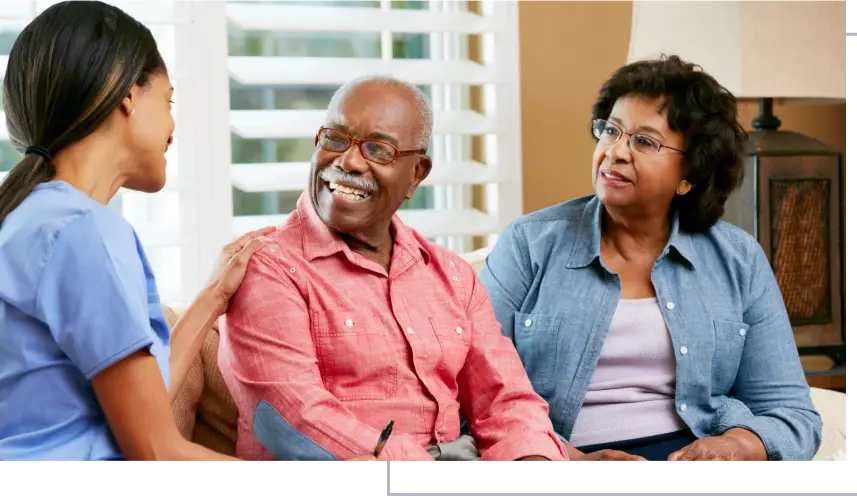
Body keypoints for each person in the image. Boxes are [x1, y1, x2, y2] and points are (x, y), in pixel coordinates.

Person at [0, 0, 376, 464]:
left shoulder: (13, 225)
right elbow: (156, 452)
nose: (173, 127)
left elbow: (144, 409)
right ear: (126, 96)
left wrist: (212, 298)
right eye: (168, 100)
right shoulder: (84, 233)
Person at [479, 55, 822, 463]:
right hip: (557, 455)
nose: (616, 152)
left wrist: (736, 447)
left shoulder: (738, 259)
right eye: (611, 131)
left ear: (688, 175)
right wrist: (571, 460)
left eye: (645, 141)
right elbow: (475, 394)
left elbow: (791, 414)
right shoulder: (529, 245)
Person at [217, 75, 568, 463]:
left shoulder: (451, 275)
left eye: (377, 149)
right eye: (335, 138)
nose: (348, 161)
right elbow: (292, 419)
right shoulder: (269, 267)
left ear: (416, 174)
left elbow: (506, 401)